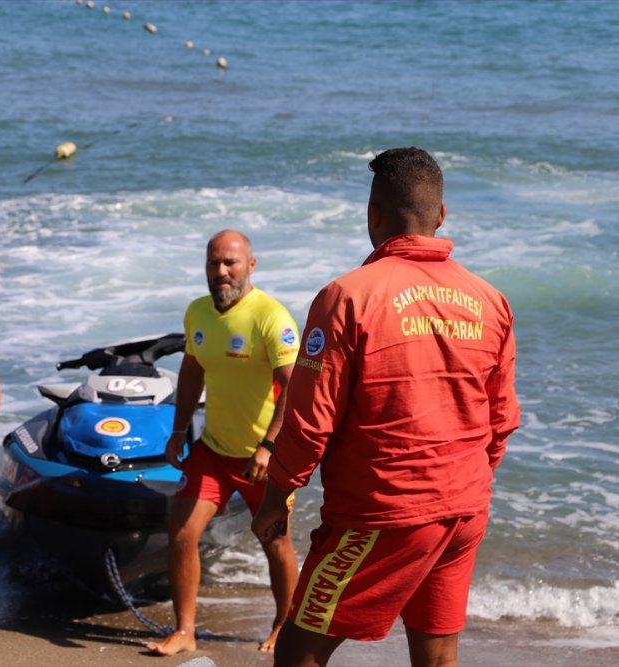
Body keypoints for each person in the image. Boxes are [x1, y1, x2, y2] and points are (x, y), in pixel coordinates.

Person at [252, 147, 520, 667]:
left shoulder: (347, 297)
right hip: (465, 509)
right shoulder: (490, 299)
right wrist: (464, 484)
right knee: (437, 653)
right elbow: (501, 421)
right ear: (440, 216)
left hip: (385, 511)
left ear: (373, 215)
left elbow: (310, 426)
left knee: (299, 647)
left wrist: (276, 497)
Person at [146, 229, 301, 656]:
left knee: (275, 542)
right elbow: (192, 370)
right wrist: (179, 430)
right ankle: (185, 630)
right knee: (181, 531)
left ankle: (283, 627)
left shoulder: (271, 317)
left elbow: (296, 386)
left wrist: (269, 446)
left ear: (251, 265)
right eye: (213, 263)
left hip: (264, 459)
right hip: (213, 450)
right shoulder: (198, 313)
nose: (221, 271)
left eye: (230, 262)